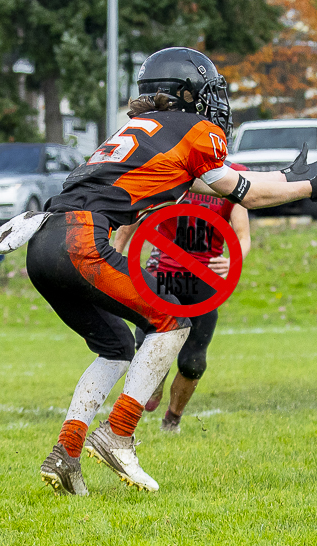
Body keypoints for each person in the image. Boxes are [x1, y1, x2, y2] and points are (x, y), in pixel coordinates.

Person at [25, 46, 317, 496]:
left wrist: (288, 176)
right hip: (81, 242)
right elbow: (243, 194)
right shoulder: (195, 130)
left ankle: (67, 453)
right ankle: (118, 433)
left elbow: (220, 182)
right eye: (208, 93)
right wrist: (314, 186)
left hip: (42, 244)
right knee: (171, 321)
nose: (214, 104)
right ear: (186, 93)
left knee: (115, 347)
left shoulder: (140, 130)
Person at [112, 162, 252, 434]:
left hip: (204, 277)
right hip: (163, 273)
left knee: (192, 362)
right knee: (148, 342)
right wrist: (116, 251)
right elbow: (134, 216)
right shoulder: (172, 169)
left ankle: (172, 418)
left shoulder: (232, 175)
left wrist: (235, 258)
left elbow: (243, 236)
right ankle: (157, 380)